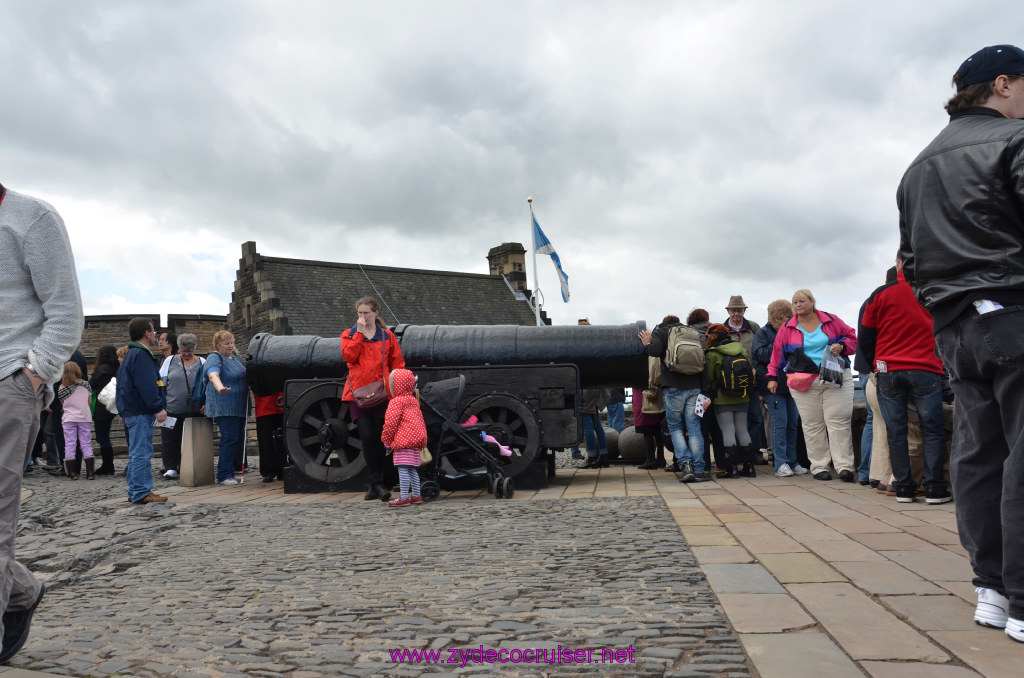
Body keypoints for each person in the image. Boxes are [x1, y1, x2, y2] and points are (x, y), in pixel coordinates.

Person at [896, 44, 1024, 641]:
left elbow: (910, 261)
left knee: (978, 455)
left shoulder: (917, 166)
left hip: (956, 327)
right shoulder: (1012, 140)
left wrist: (944, 308)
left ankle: (992, 590)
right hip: (1014, 306)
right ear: (1003, 84)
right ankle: (1021, 598)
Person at [0, 181, 83, 664]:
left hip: (9, 382)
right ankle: (20, 588)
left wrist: (32, 376)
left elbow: (66, 312)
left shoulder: (31, 219)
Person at [859, 262, 949, 504]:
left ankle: (904, 488)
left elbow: (866, 334)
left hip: (889, 368)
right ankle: (934, 488)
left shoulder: (880, 294)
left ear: (899, 263)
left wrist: (872, 366)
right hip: (925, 368)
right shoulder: (932, 289)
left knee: (896, 431)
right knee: (932, 429)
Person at [766, 289, 857, 482]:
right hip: (803, 381)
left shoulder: (831, 320)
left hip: (835, 377)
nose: (798, 305)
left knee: (838, 421)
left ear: (812, 302)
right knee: (812, 425)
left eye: (802, 301)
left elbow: (852, 338)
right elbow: (777, 354)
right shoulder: (787, 327)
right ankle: (819, 466)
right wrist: (772, 376)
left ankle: (844, 467)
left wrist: (842, 346)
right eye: (795, 302)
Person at [341, 296, 405, 502]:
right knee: (367, 437)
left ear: (376, 313)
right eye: (359, 313)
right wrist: (359, 334)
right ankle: (377, 482)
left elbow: (398, 364)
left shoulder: (387, 336)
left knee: (380, 438)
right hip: (358, 394)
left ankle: (376, 484)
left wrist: (399, 387)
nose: (362, 317)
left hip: (382, 393)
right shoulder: (348, 335)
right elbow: (349, 357)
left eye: (366, 312)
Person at [639, 315, 710, 481]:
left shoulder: (661, 330)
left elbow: (655, 351)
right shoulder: (692, 333)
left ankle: (686, 465)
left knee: (676, 428)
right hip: (695, 386)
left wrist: (647, 343)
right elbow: (703, 362)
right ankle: (700, 468)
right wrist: (706, 392)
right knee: (694, 428)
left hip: (673, 387)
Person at [116, 318, 168, 504]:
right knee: (141, 452)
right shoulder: (141, 355)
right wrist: (157, 406)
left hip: (132, 410)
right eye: (153, 331)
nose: (154, 335)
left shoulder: (131, 354)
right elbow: (147, 385)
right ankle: (141, 491)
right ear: (146, 333)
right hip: (140, 411)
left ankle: (138, 490)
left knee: (137, 451)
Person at [752, 300, 807, 478]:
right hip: (772, 385)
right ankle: (780, 462)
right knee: (780, 423)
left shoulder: (793, 331)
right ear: (777, 318)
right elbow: (758, 354)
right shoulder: (763, 333)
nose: (791, 319)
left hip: (791, 383)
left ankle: (792, 461)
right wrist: (779, 343)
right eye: (787, 316)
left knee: (792, 423)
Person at [704, 324, 756, 478]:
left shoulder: (712, 353)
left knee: (728, 430)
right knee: (742, 429)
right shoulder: (741, 349)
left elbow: (710, 379)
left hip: (722, 398)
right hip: (743, 396)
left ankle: (731, 469)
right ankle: (749, 468)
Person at [204, 330, 249, 486]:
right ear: (218, 344)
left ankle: (230, 471)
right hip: (225, 407)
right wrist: (220, 387)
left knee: (235, 440)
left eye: (232, 342)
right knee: (229, 439)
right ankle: (223, 475)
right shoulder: (214, 358)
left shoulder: (235, 358)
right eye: (226, 343)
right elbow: (213, 375)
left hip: (239, 406)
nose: (230, 346)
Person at [722, 295, 765, 457]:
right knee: (735, 420)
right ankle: (737, 453)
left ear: (744, 311)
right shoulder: (722, 329)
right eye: (733, 310)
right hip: (732, 383)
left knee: (755, 417)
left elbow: (761, 352)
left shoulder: (754, 327)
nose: (736, 314)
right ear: (728, 311)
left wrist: (757, 370)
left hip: (753, 381)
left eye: (739, 310)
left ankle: (754, 452)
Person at [159, 333, 205, 480]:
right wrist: (161, 405)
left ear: (195, 348)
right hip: (172, 409)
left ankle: (194, 466)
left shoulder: (202, 362)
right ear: (179, 348)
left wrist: (206, 403)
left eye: (189, 350)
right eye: (183, 350)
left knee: (195, 441)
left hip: (196, 410)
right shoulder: (169, 361)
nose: (186, 353)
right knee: (169, 440)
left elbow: (207, 384)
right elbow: (160, 383)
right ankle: (171, 468)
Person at [380, 368, 427, 507]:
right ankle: (417, 495)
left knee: (402, 469)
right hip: (414, 442)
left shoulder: (396, 402)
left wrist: (387, 440)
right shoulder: (413, 400)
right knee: (412, 469)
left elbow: (390, 423)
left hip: (402, 442)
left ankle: (404, 497)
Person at [57, 362, 93, 480]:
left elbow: (63, 404)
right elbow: (89, 402)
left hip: (69, 418)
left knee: (70, 444)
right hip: (84, 417)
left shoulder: (62, 388)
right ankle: (90, 473)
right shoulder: (85, 385)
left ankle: (72, 473)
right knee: (86, 443)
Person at [89, 345, 119, 475]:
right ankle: (108, 465)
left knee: (102, 437)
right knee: (104, 436)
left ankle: (108, 465)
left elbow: (90, 384)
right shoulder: (115, 369)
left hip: (101, 406)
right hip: (110, 406)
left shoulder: (101, 371)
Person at [255, 391, 285, 482]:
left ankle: (282, 468)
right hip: (264, 403)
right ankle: (267, 471)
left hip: (281, 401)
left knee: (283, 440)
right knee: (265, 440)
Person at [578, 388, 610, 468]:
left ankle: (592, 458)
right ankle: (604, 456)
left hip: (586, 390)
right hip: (595, 390)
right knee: (598, 426)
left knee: (588, 427)